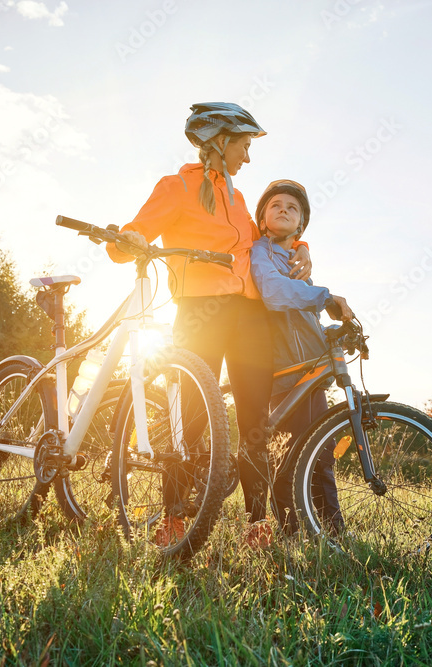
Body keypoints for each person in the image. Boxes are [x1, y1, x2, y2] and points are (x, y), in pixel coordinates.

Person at [106, 103, 311, 549]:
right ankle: (174, 519)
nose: (248, 158)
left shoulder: (238, 200)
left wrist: (303, 247)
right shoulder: (177, 186)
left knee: (255, 425)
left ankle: (257, 527)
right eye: (244, 146)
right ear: (219, 141)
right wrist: (132, 240)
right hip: (201, 311)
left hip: (250, 318)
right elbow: (132, 236)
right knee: (190, 425)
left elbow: (267, 239)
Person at [250, 179, 353, 535]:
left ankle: (332, 530)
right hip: (282, 370)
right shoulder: (259, 252)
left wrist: (332, 333)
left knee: (321, 453)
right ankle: (291, 530)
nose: (283, 210)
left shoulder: (298, 262)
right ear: (263, 216)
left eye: (292, 208)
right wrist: (324, 297)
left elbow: (306, 321)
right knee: (290, 454)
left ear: (301, 225)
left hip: (310, 373)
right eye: (276, 204)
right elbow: (274, 292)